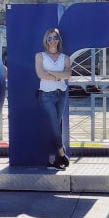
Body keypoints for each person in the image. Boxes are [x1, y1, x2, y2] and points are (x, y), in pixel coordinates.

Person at [35, 28, 71, 170]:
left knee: (55, 127)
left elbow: (68, 74)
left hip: (61, 94)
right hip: (46, 95)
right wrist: (59, 75)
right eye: (49, 38)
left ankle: (52, 160)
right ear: (46, 41)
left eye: (54, 37)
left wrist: (52, 73)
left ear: (58, 39)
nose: (52, 41)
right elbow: (40, 74)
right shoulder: (40, 56)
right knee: (55, 126)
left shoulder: (65, 58)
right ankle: (62, 154)